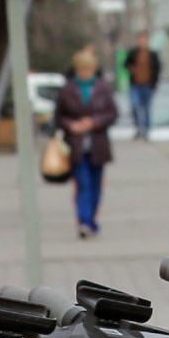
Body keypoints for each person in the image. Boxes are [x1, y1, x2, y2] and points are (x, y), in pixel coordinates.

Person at [49, 47, 120, 239]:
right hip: (76, 146)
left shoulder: (102, 88)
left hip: (98, 145)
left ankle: (92, 219)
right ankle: (84, 221)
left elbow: (112, 114)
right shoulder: (68, 90)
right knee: (83, 184)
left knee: (96, 186)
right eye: (82, 69)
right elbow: (58, 117)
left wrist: (94, 122)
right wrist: (72, 126)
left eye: (88, 69)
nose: (85, 72)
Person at [121, 35, 166, 138]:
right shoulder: (133, 53)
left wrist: (154, 84)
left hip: (148, 85)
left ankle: (146, 130)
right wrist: (131, 69)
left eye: (144, 40)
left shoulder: (152, 54)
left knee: (147, 108)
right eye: (140, 40)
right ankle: (138, 127)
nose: (142, 42)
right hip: (135, 85)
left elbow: (157, 69)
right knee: (135, 105)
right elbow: (125, 65)